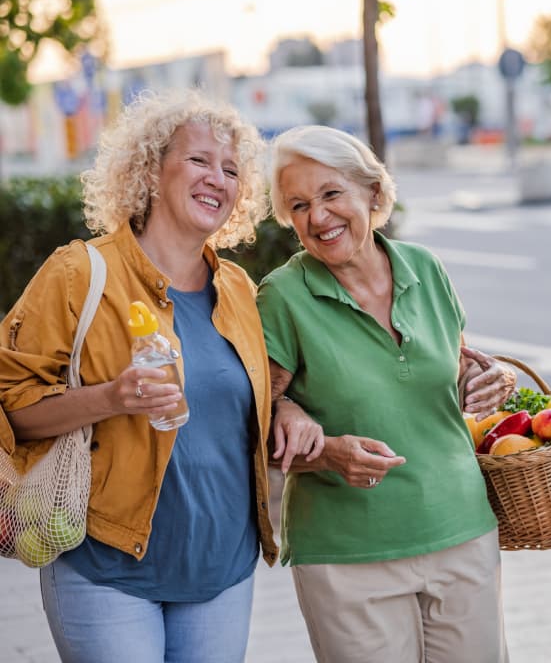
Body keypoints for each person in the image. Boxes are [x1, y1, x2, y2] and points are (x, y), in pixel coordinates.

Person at [0, 90, 322, 663]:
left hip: (221, 568)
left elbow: (258, 399)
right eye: (198, 160)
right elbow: (12, 406)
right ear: (150, 170)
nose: (217, 179)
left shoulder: (242, 292)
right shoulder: (80, 273)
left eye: (230, 170)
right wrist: (110, 396)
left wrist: (289, 410)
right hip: (106, 565)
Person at [257, 124, 517, 663]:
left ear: (372, 194)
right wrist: (323, 449)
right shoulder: (283, 296)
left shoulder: (425, 267)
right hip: (349, 554)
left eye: (332, 194)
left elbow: (458, 366)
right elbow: (253, 424)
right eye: (299, 205)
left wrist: (492, 382)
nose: (318, 217)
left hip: (461, 528)